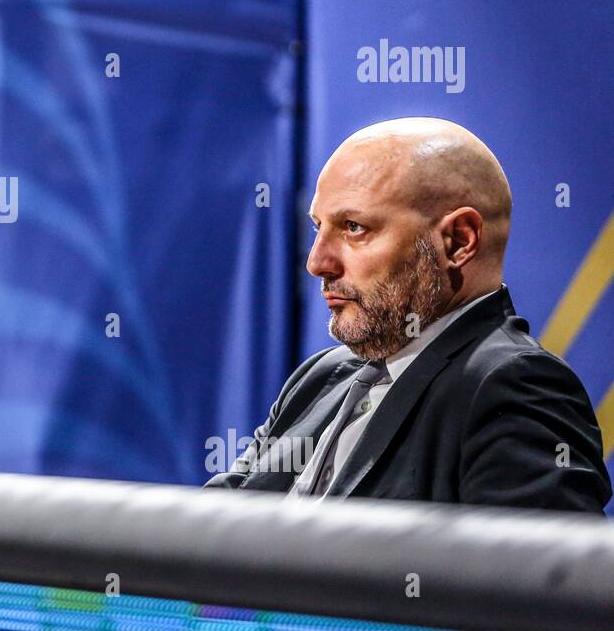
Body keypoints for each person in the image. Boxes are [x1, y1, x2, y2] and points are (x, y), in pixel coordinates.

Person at [205, 117, 610, 512]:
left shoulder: (515, 386)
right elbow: (212, 525)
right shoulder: (320, 377)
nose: (317, 262)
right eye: (318, 228)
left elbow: (526, 576)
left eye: (353, 227)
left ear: (457, 241)